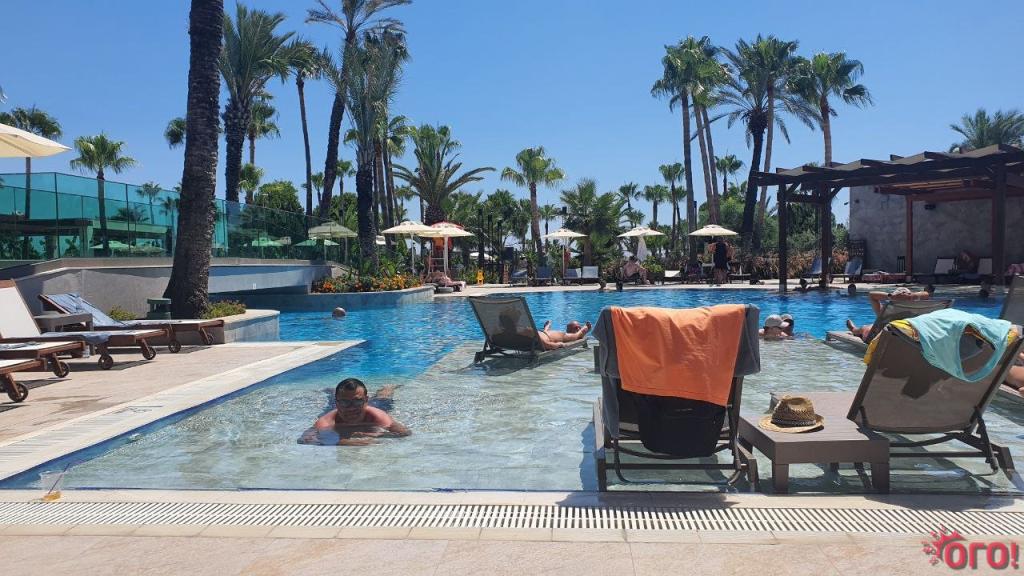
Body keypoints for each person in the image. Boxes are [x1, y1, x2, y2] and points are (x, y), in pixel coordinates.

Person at [303, 378, 410, 446]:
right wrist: (344, 442)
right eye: (344, 402)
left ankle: (388, 387)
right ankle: (332, 391)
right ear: (337, 403)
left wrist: (377, 435)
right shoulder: (327, 421)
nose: (351, 408)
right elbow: (305, 440)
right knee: (331, 401)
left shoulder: (377, 416)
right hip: (335, 409)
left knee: (383, 398)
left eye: (357, 401)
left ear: (366, 400)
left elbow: (404, 432)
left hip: (374, 407)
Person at [844, 287, 931, 342]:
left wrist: (890, 296)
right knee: (870, 326)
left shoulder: (887, 313)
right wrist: (912, 296)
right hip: (907, 336)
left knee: (864, 328)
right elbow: (927, 294)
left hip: (883, 338)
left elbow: (871, 295)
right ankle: (855, 330)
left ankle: (854, 329)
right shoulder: (915, 311)